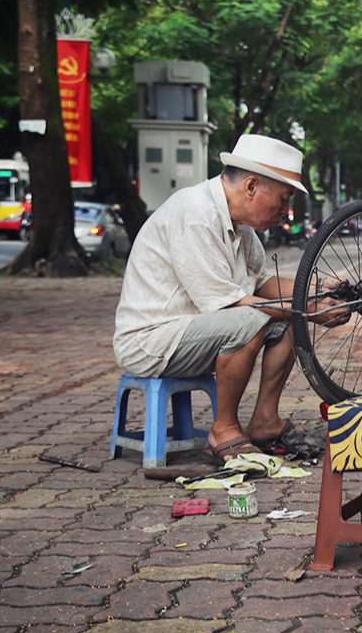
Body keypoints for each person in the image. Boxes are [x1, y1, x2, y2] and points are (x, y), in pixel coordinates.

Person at [113, 134, 344, 463]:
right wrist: (307, 308)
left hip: (194, 329)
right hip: (152, 340)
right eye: (282, 199)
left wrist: (320, 289)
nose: (285, 211)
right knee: (252, 321)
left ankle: (265, 421)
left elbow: (263, 283)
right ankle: (224, 430)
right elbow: (231, 308)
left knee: (290, 320)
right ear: (251, 186)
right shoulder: (196, 215)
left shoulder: (242, 227)